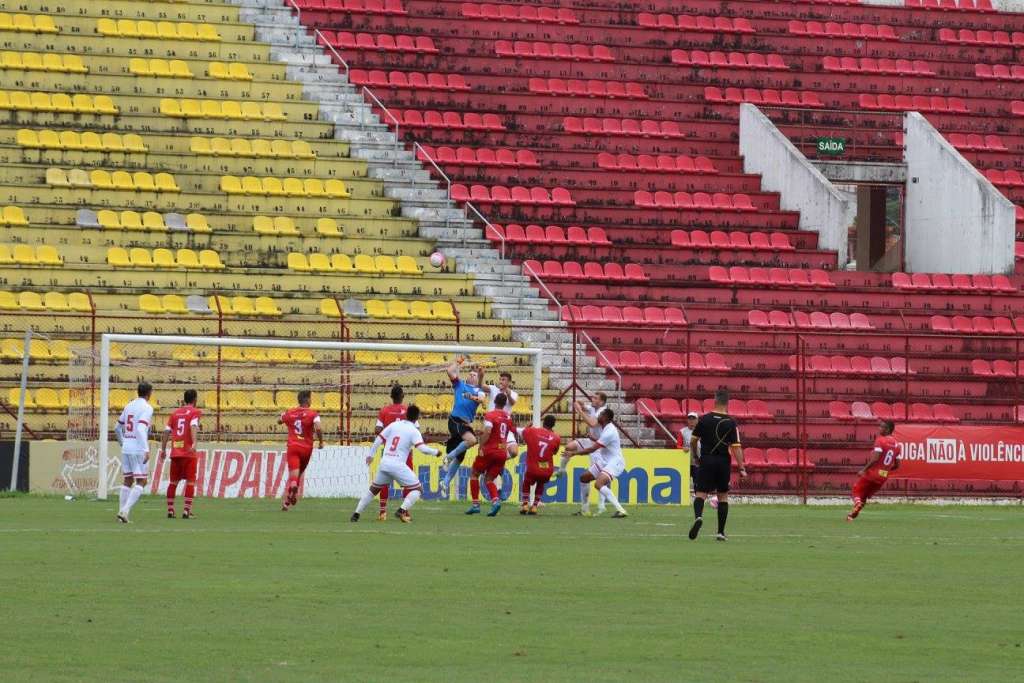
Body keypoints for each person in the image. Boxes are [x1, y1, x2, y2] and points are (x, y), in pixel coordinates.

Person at [351, 405, 439, 523]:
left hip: (385, 463)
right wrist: (436, 452)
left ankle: (356, 514)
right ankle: (402, 510)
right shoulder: (414, 431)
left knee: (373, 490)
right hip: (398, 465)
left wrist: (371, 455)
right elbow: (422, 448)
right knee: (418, 489)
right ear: (417, 417)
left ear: (406, 415)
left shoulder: (394, 425)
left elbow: (379, 439)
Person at [689, 389, 746, 541]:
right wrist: (741, 467)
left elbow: (693, 440)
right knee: (722, 495)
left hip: (706, 459)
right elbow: (736, 447)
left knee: (701, 493)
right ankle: (720, 532)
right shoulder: (731, 422)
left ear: (714, 400)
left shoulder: (704, 419)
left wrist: (696, 455)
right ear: (727, 402)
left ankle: (699, 517)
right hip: (723, 462)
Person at [554, 393, 609, 515]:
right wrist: (579, 403)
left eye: (595, 398)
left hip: (599, 446)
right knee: (569, 447)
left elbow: (592, 424)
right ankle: (562, 470)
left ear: (601, 402)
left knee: (598, 477)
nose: (592, 399)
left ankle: (600, 504)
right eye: (593, 397)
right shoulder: (593, 408)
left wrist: (579, 410)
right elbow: (582, 404)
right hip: (590, 441)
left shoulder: (603, 412)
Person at [439, 356, 485, 498]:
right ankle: (448, 457)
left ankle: (445, 482)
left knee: (459, 458)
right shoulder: (460, 385)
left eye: (474, 375)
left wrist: (471, 397)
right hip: (455, 420)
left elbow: (482, 400)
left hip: (465, 424)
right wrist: (458, 361)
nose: (471, 376)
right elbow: (450, 371)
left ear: (478, 379)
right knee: (472, 441)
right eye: (470, 374)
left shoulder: (479, 391)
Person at [466, 393, 517, 516]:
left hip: (489, 450)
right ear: (505, 404)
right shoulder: (508, 417)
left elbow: (488, 431)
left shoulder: (490, 415)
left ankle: (475, 505)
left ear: (494, 401)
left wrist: (481, 445)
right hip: (502, 452)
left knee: (474, 474)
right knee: (489, 478)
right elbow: (513, 431)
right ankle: (495, 501)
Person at [115, 382, 155, 523]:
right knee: (142, 481)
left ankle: (121, 513)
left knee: (128, 480)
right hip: (138, 448)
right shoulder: (147, 408)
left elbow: (117, 428)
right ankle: (125, 511)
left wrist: (123, 442)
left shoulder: (129, 405)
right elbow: (140, 429)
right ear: (149, 393)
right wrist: (145, 449)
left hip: (126, 446)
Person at [159, 389, 202, 519]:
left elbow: (166, 431)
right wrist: (194, 443)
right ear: (195, 400)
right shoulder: (195, 412)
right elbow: (193, 425)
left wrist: (163, 449)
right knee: (190, 482)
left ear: (184, 399)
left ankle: (171, 510)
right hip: (188, 453)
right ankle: (186, 511)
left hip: (175, 453)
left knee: (173, 482)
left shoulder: (175, 413)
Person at [847, 420, 901, 521]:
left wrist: (864, 470)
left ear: (888, 429)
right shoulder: (898, 445)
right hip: (883, 476)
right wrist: (886, 469)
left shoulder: (880, 440)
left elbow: (875, 458)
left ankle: (857, 504)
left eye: (882, 427)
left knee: (856, 491)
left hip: (873, 473)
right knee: (864, 495)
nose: (879, 428)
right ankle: (852, 515)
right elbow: (897, 465)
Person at [279, 390, 323, 511]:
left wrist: (282, 417)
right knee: (299, 474)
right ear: (307, 400)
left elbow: (280, 419)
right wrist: (321, 441)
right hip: (306, 448)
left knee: (293, 474)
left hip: (293, 447)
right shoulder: (313, 414)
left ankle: (292, 490)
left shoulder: (290, 412)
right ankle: (288, 501)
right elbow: (318, 428)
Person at [375, 384, 408, 521]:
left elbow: (377, 430)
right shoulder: (408, 410)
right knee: (408, 483)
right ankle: (405, 512)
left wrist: (388, 437)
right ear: (402, 396)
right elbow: (416, 429)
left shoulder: (384, 410)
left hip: (389, 452)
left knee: (383, 481)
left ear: (391, 397)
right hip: (404, 453)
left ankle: (383, 512)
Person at [519, 415, 561, 515]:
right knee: (541, 483)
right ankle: (534, 506)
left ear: (543, 422)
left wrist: (527, 427)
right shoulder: (556, 438)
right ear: (554, 425)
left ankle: (525, 504)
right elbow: (555, 452)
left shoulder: (533, 431)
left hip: (533, 467)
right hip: (546, 469)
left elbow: (523, 432)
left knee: (526, 482)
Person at [678, 411, 717, 509]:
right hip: (686, 461)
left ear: (697, 420)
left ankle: (698, 501)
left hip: (698, 461)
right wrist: (682, 448)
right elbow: (678, 445)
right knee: (684, 480)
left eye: (693, 419)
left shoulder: (703, 431)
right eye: (689, 418)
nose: (691, 421)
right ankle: (683, 499)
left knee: (697, 482)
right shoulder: (682, 431)